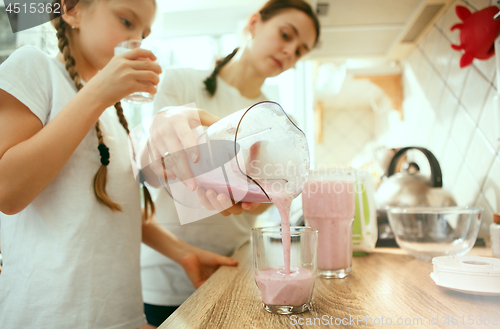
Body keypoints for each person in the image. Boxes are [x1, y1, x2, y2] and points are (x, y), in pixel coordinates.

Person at [0, 0, 237, 328]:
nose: (137, 40)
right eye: (127, 21)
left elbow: (114, 212)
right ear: (70, 9)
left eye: (144, 33)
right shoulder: (33, 67)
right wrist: (99, 93)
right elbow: (7, 191)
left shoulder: (112, 116)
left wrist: (184, 253)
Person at [140, 0, 320, 326]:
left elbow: (269, 201)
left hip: (232, 270)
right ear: (254, 23)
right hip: (166, 271)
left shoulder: (281, 121)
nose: (290, 51)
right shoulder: (182, 84)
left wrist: (252, 202)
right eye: (285, 35)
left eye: (300, 51)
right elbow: (156, 172)